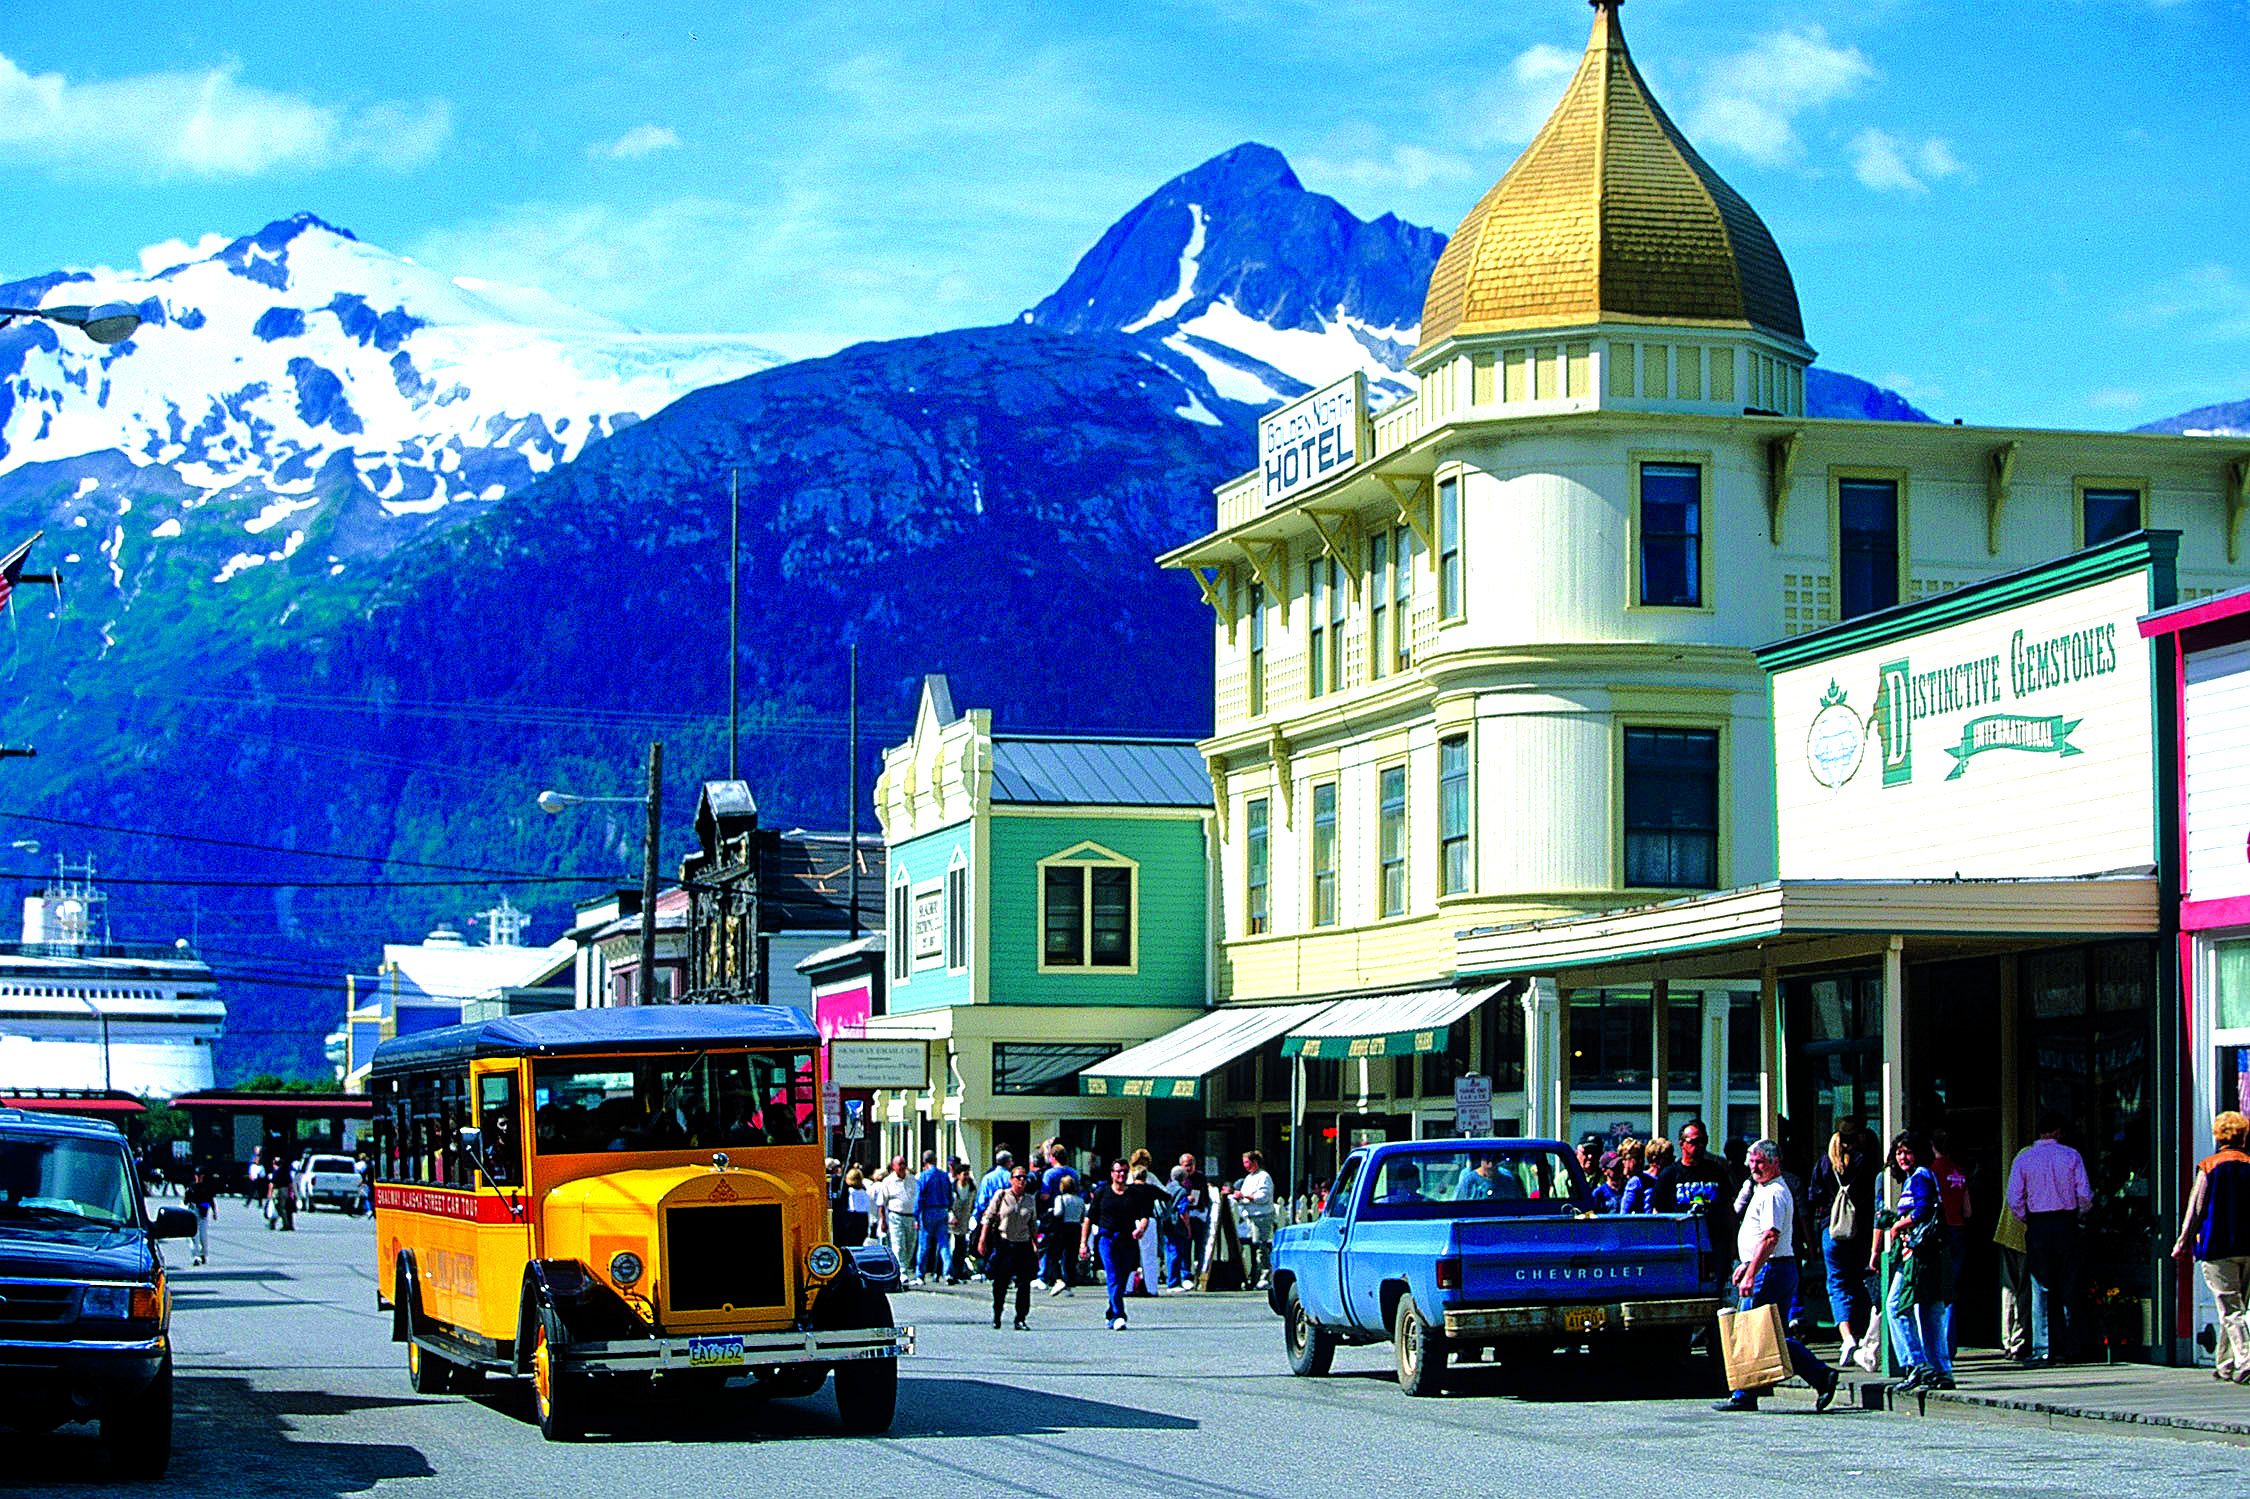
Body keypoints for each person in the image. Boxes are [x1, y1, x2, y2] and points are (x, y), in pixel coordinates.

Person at [1711, 1139, 1838, 1414]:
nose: (1754, 1167)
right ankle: (1821, 1376)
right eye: (1752, 1161)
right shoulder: (1763, 1189)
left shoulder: (1773, 1194)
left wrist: (1751, 1272)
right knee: (1768, 1332)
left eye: (1760, 1162)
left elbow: (1770, 1237)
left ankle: (1744, 1392)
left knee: (1752, 1329)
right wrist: (1746, 1265)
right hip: (1770, 1267)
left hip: (1772, 1269)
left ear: (1775, 1163)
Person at [2006, 1112, 2093, 1364]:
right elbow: (2085, 1194)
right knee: (2069, 1283)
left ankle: (2043, 1347)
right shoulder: (2071, 1156)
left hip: (2039, 1223)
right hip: (2066, 1221)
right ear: (2057, 1132)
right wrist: (2077, 1213)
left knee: (2040, 1286)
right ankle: (2068, 1347)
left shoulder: (2024, 1159)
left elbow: (2014, 1198)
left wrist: (2027, 1217)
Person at [2171, 1110, 2250, 1382]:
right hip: (2247, 1247)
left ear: (2218, 1136)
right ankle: (2226, 1365)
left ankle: (2246, 1359)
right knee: (2235, 1307)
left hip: (2217, 1247)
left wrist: (2182, 1242)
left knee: (2230, 1308)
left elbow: (2196, 1209)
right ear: (2243, 1135)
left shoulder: (2209, 1166)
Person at [1873, 1131, 1952, 1392]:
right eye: (1898, 1153)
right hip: (1928, 1255)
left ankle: (1915, 1364)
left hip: (1918, 1256)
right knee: (1930, 1310)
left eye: (1907, 1152)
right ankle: (1940, 1370)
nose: (1902, 1157)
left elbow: (1922, 1210)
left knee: (1895, 1305)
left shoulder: (1919, 1176)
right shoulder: (1917, 1178)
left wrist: (1897, 1225)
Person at [1810, 1127, 1879, 1371]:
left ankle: (1846, 1335)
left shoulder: (1824, 1164)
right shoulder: (1863, 1163)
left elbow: (1814, 1197)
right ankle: (1864, 1333)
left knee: (1837, 1284)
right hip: (1859, 1231)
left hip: (1832, 1230)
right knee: (1862, 1281)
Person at [1084, 1159, 1160, 1331]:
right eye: (1118, 1171)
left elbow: (1144, 1215)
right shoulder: (1102, 1192)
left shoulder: (1134, 1193)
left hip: (1127, 1239)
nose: (1121, 1174)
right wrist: (1083, 1243)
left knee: (1123, 1276)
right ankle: (1119, 1315)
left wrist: (1141, 1228)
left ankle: (1111, 1313)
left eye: (1124, 1171)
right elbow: (1089, 1218)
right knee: (1112, 1275)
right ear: (1112, 1174)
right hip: (1107, 1238)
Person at [1656, 1119, 1740, 1258]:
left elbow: (1728, 1209)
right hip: (1681, 1243)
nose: (1700, 1145)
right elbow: (1658, 1211)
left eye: (1703, 1141)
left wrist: (1733, 1244)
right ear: (1682, 1144)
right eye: (1694, 1142)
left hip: (1715, 1242)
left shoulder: (1716, 1171)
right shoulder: (1669, 1175)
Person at [1928, 1130, 1973, 1359]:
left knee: (1938, 1291)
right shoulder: (1959, 1171)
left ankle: (1941, 1345)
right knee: (1952, 1289)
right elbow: (1968, 1211)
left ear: (1931, 1144)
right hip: (1958, 1230)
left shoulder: (1931, 1172)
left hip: (1940, 1232)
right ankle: (1950, 1343)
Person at [979, 1163, 1040, 1330]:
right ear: (1011, 1180)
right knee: (1000, 1282)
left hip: (1023, 1244)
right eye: (1018, 1177)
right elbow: (988, 1218)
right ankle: (997, 1315)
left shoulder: (1030, 1199)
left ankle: (1020, 1318)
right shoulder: (1002, 1196)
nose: (1022, 1180)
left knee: (1024, 1283)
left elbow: (1033, 1224)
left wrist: (1036, 1246)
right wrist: (982, 1240)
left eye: (1024, 1177)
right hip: (1004, 1243)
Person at [1230, 1150, 1278, 1290]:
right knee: (1251, 1247)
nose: (1245, 1165)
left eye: (1247, 1162)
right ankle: (1253, 1276)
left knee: (1260, 1246)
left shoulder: (1264, 1177)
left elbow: (1263, 1196)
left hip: (1261, 1217)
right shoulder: (1249, 1178)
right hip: (1249, 1217)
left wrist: (1246, 1195)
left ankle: (1265, 1276)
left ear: (1255, 1162)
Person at [913, 1150, 953, 1284]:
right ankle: (947, 1273)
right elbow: (950, 1194)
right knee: (944, 1243)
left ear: (924, 1162)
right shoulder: (944, 1176)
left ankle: (920, 1274)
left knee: (924, 1244)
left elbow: (919, 1197)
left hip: (928, 1210)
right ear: (935, 1160)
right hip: (942, 1209)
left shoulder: (923, 1176)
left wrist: (916, 1216)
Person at [875, 1155, 918, 1280]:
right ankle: (902, 1272)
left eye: (904, 1163)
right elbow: (881, 1203)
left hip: (911, 1217)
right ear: (893, 1166)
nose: (902, 1167)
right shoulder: (887, 1182)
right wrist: (882, 1221)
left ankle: (905, 1267)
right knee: (898, 1245)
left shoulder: (912, 1180)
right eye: (899, 1164)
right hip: (895, 1216)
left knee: (910, 1245)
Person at [1045, 1172, 1084, 1294]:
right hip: (1076, 1227)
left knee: (1055, 1255)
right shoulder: (1080, 1200)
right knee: (1071, 1256)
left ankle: (1058, 1279)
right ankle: (1070, 1280)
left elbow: (1058, 1213)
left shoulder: (1060, 1199)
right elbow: (1083, 1216)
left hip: (1062, 1228)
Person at [948, 1163, 978, 1282]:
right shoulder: (952, 1189)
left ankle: (959, 1271)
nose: (966, 1177)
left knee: (961, 1247)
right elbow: (947, 1205)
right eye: (964, 1174)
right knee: (950, 1247)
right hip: (952, 1222)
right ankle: (945, 1271)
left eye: (967, 1174)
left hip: (965, 1222)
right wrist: (951, 1217)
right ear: (958, 1176)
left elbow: (974, 1204)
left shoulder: (971, 1188)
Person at [183, 1166, 215, 1265]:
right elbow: (186, 1201)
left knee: (203, 1236)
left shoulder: (207, 1187)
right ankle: (196, 1257)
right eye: (196, 1176)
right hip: (193, 1211)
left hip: (203, 1213)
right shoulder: (191, 1187)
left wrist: (212, 1211)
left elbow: (210, 1201)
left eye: (200, 1176)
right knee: (193, 1236)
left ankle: (203, 1254)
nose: (198, 1178)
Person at [839, 1164, 873, 1245]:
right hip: (863, 1218)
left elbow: (850, 1206)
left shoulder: (850, 1191)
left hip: (852, 1218)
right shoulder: (864, 1192)